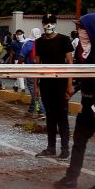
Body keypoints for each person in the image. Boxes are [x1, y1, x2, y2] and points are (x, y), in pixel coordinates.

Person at [53, 13, 95, 189]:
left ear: (93, 29)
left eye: (83, 28)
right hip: (86, 102)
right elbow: (84, 74)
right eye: (79, 28)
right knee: (79, 141)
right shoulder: (81, 49)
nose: (81, 32)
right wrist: (74, 87)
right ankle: (71, 177)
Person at [33, 14, 74, 159]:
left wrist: (69, 84)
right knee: (50, 117)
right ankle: (51, 148)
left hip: (61, 84)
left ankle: (65, 149)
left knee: (62, 117)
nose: (49, 25)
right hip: (46, 84)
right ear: (42, 24)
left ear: (55, 24)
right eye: (46, 23)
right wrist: (36, 85)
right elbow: (37, 65)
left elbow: (70, 63)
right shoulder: (39, 42)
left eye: (51, 22)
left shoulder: (64, 40)